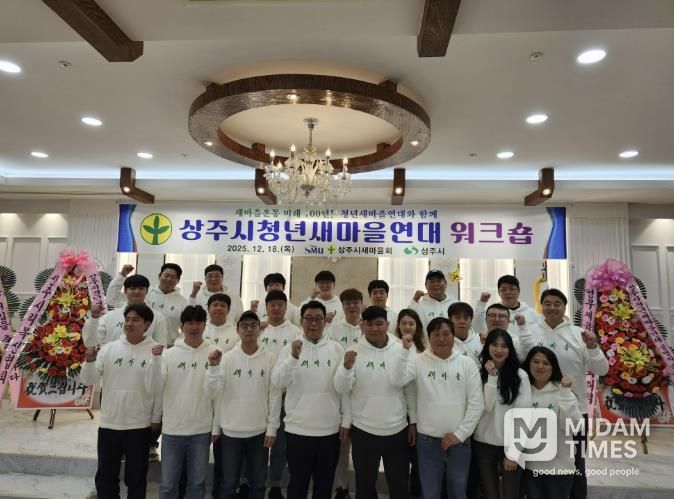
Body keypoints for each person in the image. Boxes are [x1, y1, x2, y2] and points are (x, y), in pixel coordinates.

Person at [519, 289, 608, 499]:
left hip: (574, 411)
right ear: (541, 306)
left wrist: (593, 346)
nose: (552, 308)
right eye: (547, 303)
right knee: (535, 462)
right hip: (537, 409)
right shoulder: (529, 332)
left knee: (576, 465)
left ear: (564, 307)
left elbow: (602, 369)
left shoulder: (579, 334)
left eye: (557, 303)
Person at [395, 317, 484, 499]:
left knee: (458, 492)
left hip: (459, 442)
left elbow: (477, 403)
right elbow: (398, 380)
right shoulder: (418, 361)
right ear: (429, 337)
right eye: (436, 334)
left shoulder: (467, 363)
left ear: (453, 336)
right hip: (428, 441)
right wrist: (405, 351)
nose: (442, 339)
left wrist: (459, 435)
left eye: (446, 334)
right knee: (430, 493)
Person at [271, 301, 350, 499]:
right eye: (309, 319)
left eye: (318, 319)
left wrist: (346, 420)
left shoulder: (336, 349)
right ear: (301, 321)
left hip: (329, 430)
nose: (313, 323)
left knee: (324, 484)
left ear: (325, 321)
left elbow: (344, 389)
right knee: (298, 483)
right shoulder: (291, 348)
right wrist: (293, 357)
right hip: (298, 430)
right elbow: (278, 381)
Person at [81, 304, 161, 499]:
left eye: (135, 320)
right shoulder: (109, 349)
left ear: (147, 324)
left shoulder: (156, 351)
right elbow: (89, 379)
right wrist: (89, 361)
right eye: (127, 319)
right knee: (106, 477)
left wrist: (155, 417)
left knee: (136, 478)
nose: (129, 324)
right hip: (110, 424)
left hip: (139, 425)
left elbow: (157, 388)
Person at [334, 306, 413, 499]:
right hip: (364, 429)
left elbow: (408, 388)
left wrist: (413, 422)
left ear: (388, 324)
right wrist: (346, 368)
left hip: (397, 429)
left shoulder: (401, 348)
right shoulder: (353, 351)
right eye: (369, 324)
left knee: (399, 483)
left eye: (379, 324)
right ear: (362, 326)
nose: (374, 328)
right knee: (365, 484)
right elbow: (341, 388)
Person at [205, 311, 282, 499]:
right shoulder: (226, 358)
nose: (249, 329)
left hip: (259, 432)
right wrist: (216, 427)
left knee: (258, 484)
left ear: (259, 329)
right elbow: (215, 394)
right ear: (237, 330)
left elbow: (274, 395)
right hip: (231, 432)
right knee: (229, 484)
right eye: (244, 326)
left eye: (253, 325)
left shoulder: (270, 358)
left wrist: (272, 428)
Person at [148, 305, 216, 499]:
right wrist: (155, 361)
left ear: (205, 325)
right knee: (168, 485)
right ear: (181, 326)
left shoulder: (214, 353)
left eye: (198, 323)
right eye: (189, 323)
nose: (194, 327)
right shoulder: (168, 355)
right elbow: (155, 387)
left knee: (197, 484)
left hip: (201, 430)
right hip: (173, 430)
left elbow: (215, 393)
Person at [473, 329, 531, 499]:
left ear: (510, 349)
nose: (499, 350)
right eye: (494, 345)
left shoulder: (520, 376)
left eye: (504, 346)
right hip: (483, 444)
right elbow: (487, 407)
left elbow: (523, 416)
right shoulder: (478, 373)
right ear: (487, 346)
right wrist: (492, 377)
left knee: (511, 493)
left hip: (510, 445)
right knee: (490, 493)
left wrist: (514, 452)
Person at [256, 290, 301, 499]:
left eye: (280, 304)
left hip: (285, 397)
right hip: (259, 396)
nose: (276, 308)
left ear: (286, 307)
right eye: (272, 304)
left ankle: (275, 484)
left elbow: (297, 363)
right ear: (266, 307)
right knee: (258, 443)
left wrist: (286, 390)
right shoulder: (258, 329)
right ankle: (252, 482)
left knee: (280, 445)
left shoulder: (296, 332)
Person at [521, 347, 582, 499]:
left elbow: (572, 426)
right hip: (531, 467)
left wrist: (566, 393)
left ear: (553, 367)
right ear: (528, 364)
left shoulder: (563, 392)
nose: (540, 366)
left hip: (559, 469)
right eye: (535, 362)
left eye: (546, 363)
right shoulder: (523, 391)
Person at [202, 292, 239, 496]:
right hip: (202, 393)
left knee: (222, 448)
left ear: (228, 310)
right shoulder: (201, 329)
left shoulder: (235, 333)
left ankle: (221, 488)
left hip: (226, 395)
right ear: (208, 309)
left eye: (222, 305)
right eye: (214, 305)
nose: (218, 308)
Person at [84, 274, 168, 348]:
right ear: (125, 291)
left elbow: (161, 347)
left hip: (145, 361)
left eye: (141, 288)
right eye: (132, 288)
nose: (136, 291)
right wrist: (94, 318)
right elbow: (90, 342)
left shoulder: (157, 317)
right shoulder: (110, 316)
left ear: (146, 291)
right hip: (113, 360)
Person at [392, 308, 424, 498]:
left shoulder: (424, 350)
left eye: (411, 323)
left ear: (417, 326)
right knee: (402, 462)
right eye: (403, 323)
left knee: (420, 463)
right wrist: (411, 420)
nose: (407, 327)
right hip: (401, 412)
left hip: (422, 412)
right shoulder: (394, 347)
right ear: (398, 326)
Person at [473, 275, 540, 338]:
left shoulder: (531, 313)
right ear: (498, 292)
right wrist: (482, 303)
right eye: (504, 289)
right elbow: (477, 329)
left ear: (519, 291)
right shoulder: (493, 313)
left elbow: (538, 337)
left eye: (512, 289)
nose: (508, 292)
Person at [447, 302, 481, 366]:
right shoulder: (445, 342)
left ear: (471, 320)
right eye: (457, 317)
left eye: (466, 318)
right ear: (449, 320)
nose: (462, 321)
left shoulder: (479, 340)